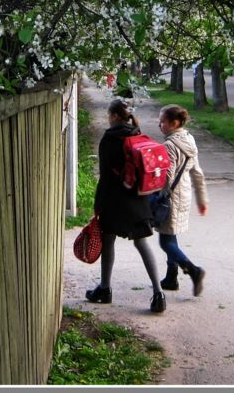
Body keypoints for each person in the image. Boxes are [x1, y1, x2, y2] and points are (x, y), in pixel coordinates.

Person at [86, 99, 166, 313]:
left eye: (108, 116)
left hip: (114, 200)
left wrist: (98, 204)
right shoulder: (137, 134)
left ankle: (105, 289)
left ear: (114, 116)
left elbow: (105, 176)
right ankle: (158, 293)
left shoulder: (110, 138)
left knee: (108, 241)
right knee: (142, 243)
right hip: (138, 198)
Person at [155, 104, 209, 295]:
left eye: (162, 121)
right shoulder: (189, 139)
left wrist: (157, 195)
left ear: (174, 123)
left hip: (171, 197)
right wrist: (202, 199)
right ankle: (171, 278)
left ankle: (194, 271)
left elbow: (167, 178)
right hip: (183, 194)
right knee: (171, 235)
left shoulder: (169, 146)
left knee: (165, 242)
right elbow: (197, 172)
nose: (159, 124)